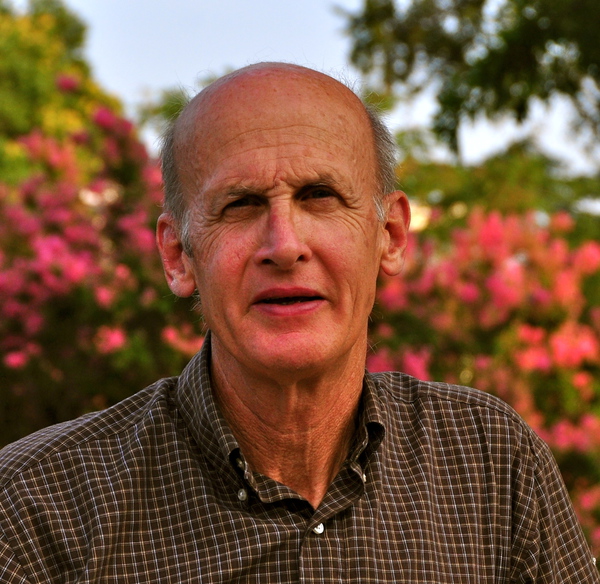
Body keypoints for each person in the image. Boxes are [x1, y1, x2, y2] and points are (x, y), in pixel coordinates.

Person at [0, 62, 597, 583]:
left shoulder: (491, 463)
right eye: (241, 205)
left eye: (319, 196)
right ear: (178, 255)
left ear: (389, 236)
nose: (284, 245)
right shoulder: (35, 507)